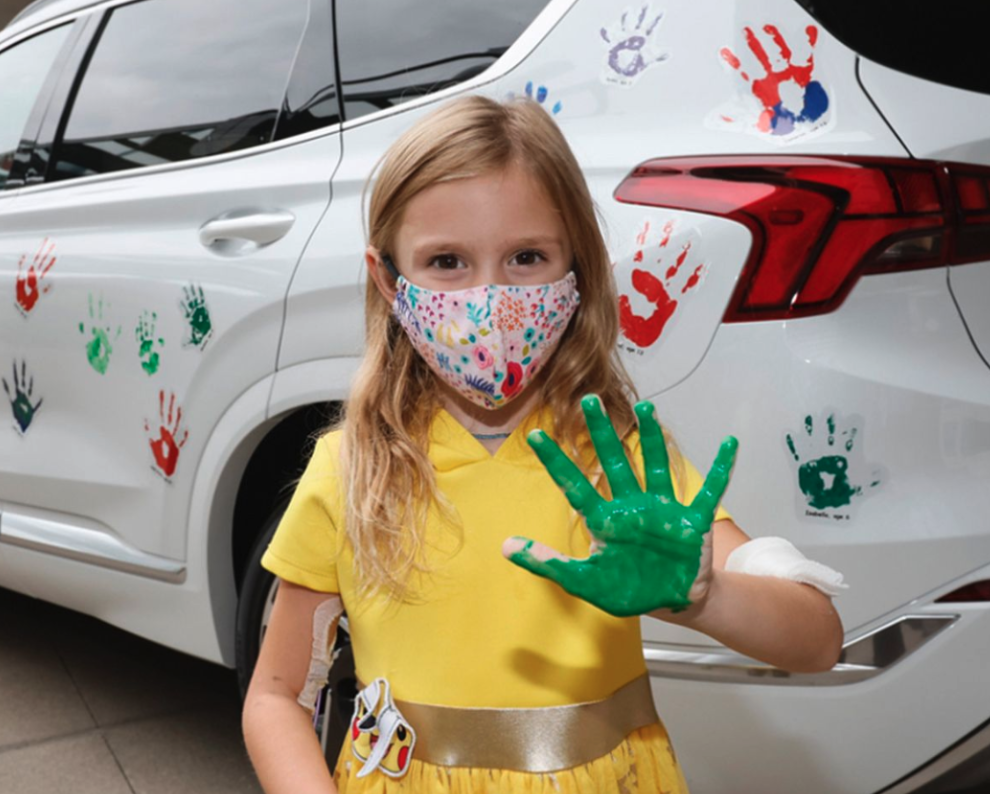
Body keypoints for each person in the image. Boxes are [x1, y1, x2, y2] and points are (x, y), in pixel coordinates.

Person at [242, 95, 845, 794]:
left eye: (526, 256)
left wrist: (704, 596)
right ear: (389, 281)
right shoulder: (351, 470)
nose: (490, 299)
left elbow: (816, 641)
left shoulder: (618, 467)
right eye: (446, 262)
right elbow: (278, 695)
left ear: (576, 269)